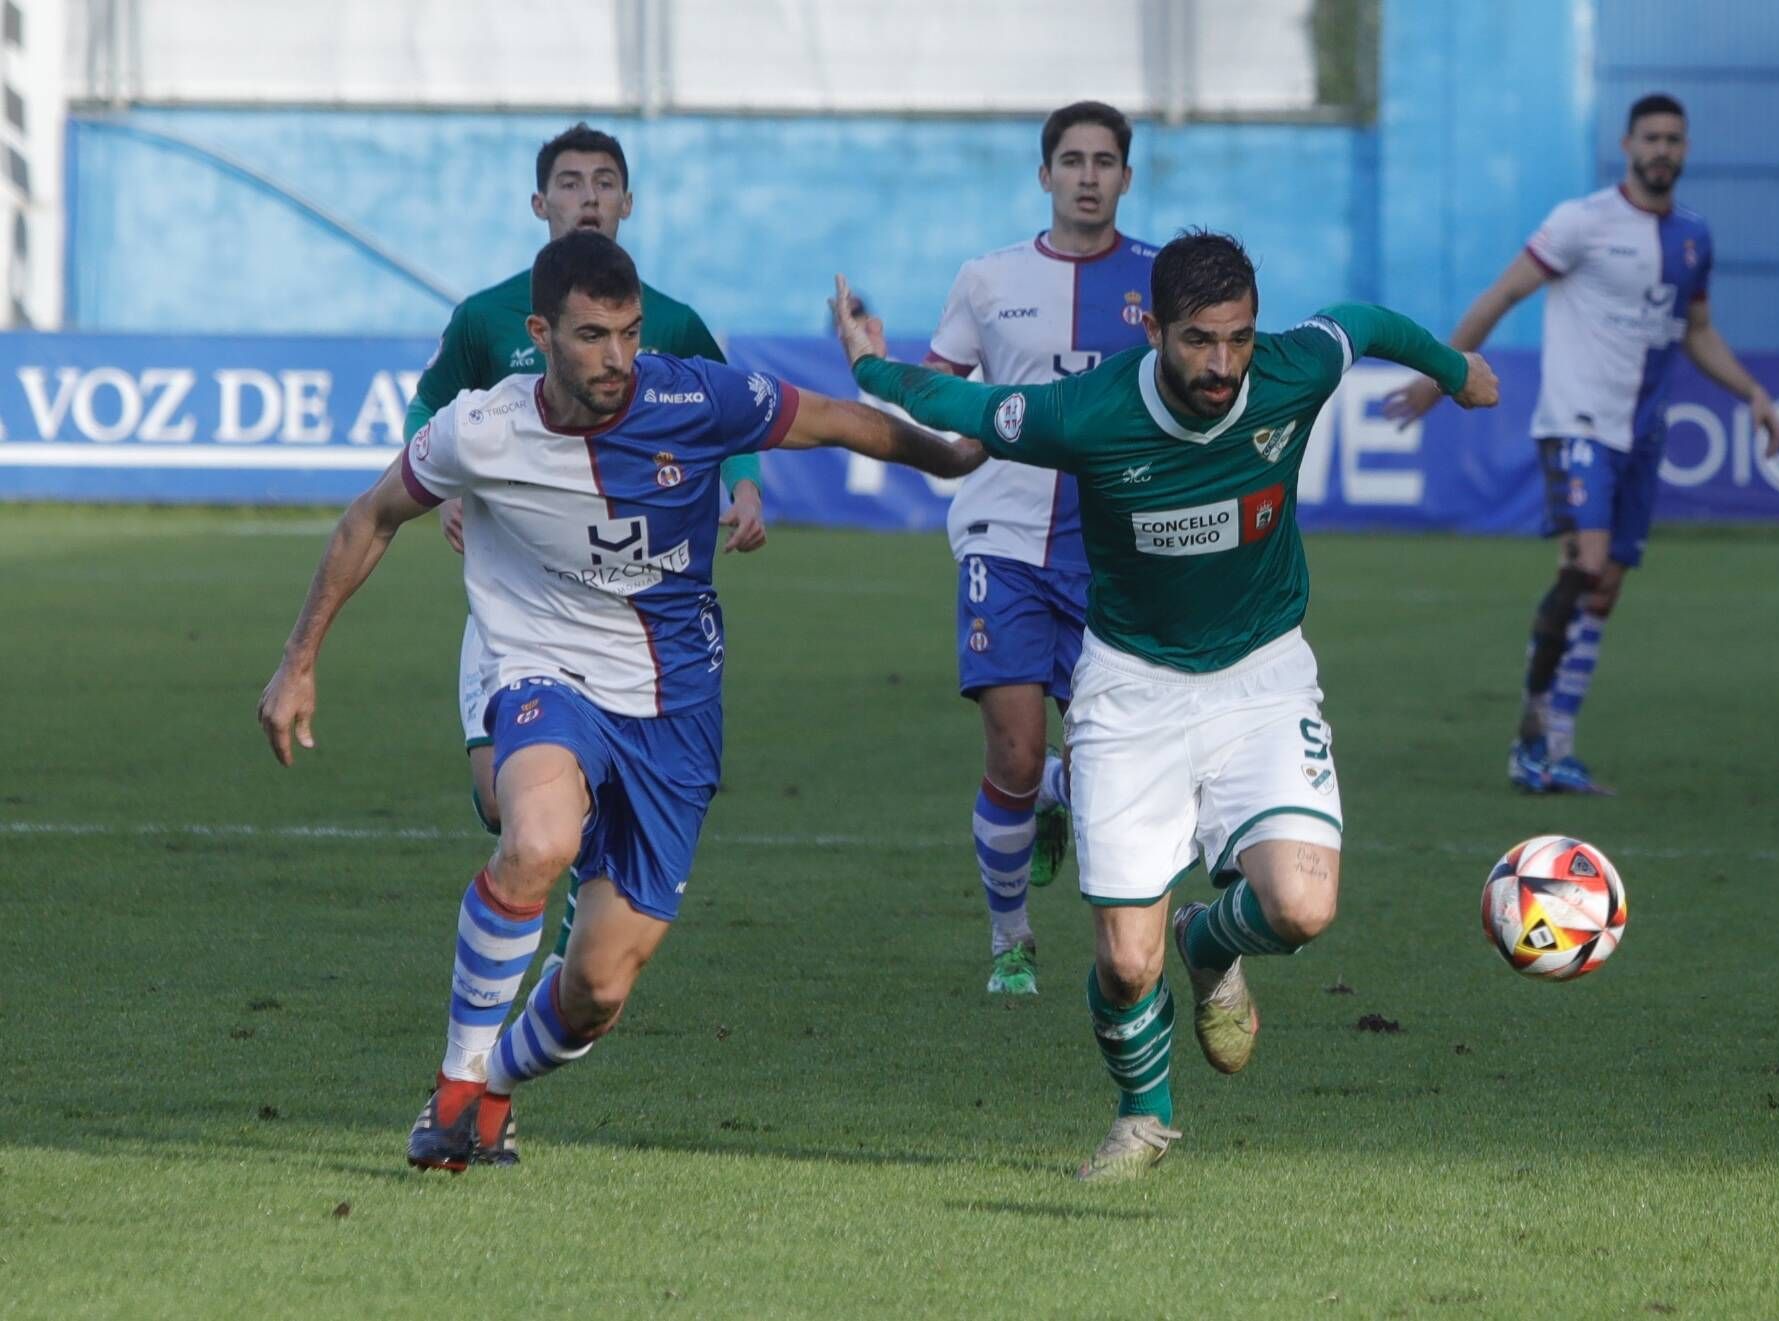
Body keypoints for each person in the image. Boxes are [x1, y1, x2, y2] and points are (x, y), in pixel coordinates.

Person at [258, 231, 982, 1171]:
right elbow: (370, 518)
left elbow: (841, 423)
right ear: (541, 332)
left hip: (675, 705)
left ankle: (495, 1091)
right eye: (593, 336)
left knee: (597, 986)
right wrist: (298, 658)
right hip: (542, 669)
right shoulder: (483, 427)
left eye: (629, 334)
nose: (617, 359)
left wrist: (949, 457)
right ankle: (453, 1083)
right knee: (538, 839)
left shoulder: (694, 395)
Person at [832, 231, 1499, 1181]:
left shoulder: (1289, 372)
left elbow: (1364, 323)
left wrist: (1454, 369)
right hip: (1131, 692)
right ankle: (1144, 1115)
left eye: (1237, 338)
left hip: (1264, 677)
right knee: (1122, 967)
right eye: (1197, 340)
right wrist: (869, 364)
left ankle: (1208, 938)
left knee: (1303, 908)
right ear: (1151, 327)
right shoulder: (1089, 412)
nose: (1222, 364)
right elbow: (959, 401)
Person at [405, 121, 766, 972]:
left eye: (605, 181)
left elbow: (735, 415)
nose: (589, 196)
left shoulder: (670, 320)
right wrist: (448, 492)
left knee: (550, 825)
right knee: (503, 806)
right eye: (570, 182)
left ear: (628, 202)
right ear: (541, 204)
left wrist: (743, 485)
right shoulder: (486, 317)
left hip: (627, 609)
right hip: (518, 611)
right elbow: (428, 412)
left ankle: (580, 877)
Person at [1382, 92, 1779, 795]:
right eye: (1651, 137)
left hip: (1642, 435)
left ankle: (1557, 744)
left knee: (1607, 589)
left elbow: (1698, 332)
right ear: (1627, 146)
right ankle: (1530, 737)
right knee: (1587, 564)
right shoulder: (1583, 223)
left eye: (1674, 139)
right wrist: (1439, 375)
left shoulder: (1693, 237)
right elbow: (1504, 294)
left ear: (1684, 151)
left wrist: (1751, 391)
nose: (1663, 149)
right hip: (1578, 425)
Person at [923, 101, 1156, 996]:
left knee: (1102, 765)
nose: (1089, 175)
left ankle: (1064, 791)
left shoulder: (1162, 279)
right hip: (1004, 535)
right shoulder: (988, 279)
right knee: (1013, 753)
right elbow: (940, 386)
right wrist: (880, 369)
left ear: (1126, 178)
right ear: (1045, 174)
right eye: (1072, 159)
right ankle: (1009, 940)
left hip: (1114, 547)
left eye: (1105, 161)